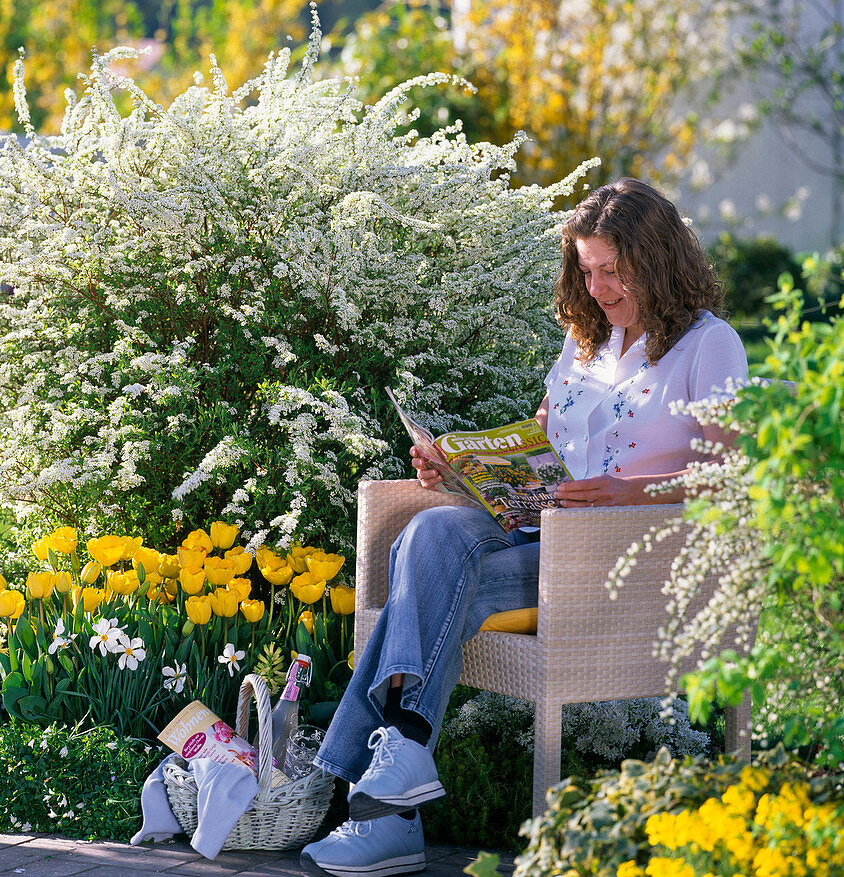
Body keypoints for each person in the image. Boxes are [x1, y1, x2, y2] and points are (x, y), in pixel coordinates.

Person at [300, 178, 749, 877]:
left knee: (436, 578)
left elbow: (728, 477)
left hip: (622, 557)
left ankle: (382, 804)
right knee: (427, 536)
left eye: (613, 270)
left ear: (657, 260)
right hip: (539, 529)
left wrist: (628, 493)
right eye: (587, 269)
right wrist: (455, 468)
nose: (597, 287)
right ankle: (403, 759)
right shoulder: (584, 341)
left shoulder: (708, 346)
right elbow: (538, 443)